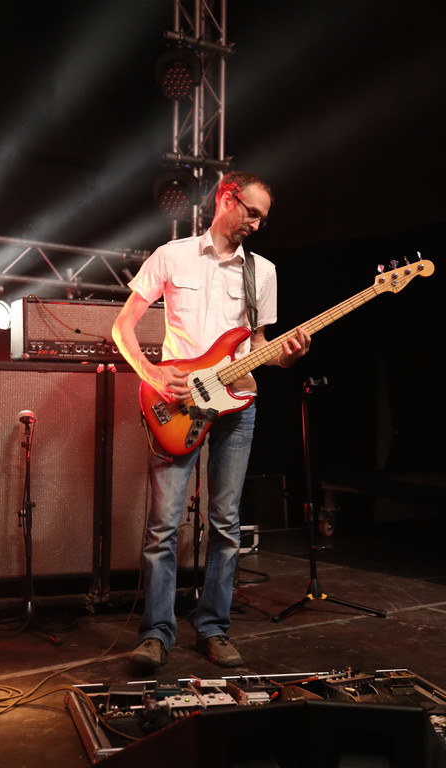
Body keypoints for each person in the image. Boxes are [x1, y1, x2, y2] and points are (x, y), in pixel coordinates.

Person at [112, 171, 311, 668]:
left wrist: (285, 357)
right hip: (178, 406)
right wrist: (153, 374)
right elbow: (122, 326)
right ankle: (156, 633)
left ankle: (214, 628)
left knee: (226, 524)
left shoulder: (262, 272)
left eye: (263, 219)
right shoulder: (172, 255)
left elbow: (258, 346)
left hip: (238, 405)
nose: (256, 225)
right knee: (164, 525)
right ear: (227, 198)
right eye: (251, 212)